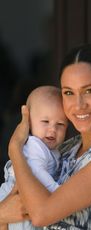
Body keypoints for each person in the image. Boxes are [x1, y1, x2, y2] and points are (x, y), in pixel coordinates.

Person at [0, 44, 91, 230]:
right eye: (69, 92)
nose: (78, 105)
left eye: (89, 91)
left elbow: (41, 215)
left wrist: (15, 149)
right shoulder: (63, 148)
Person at [0, 85, 68, 230]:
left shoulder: (52, 149)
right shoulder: (34, 145)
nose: (52, 129)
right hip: (16, 198)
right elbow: (37, 172)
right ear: (29, 122)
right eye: (45, 122)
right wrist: (58, 193)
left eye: (60, 124)